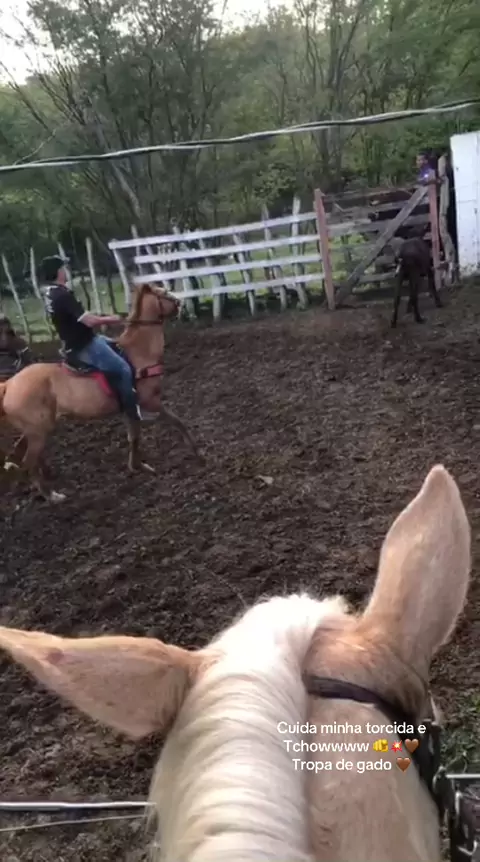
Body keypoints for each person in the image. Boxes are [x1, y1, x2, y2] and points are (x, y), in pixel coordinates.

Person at [41, 255, 145, 422]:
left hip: (77, 341)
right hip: (84, 345)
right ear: (58, 271)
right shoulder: (62, 295)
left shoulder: (50, 293)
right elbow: (88, 321)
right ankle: (133, 412)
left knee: (120, 346)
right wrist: (112, 319)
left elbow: (78, 316)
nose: (66, 271)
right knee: (123, 369)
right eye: (63, 268)